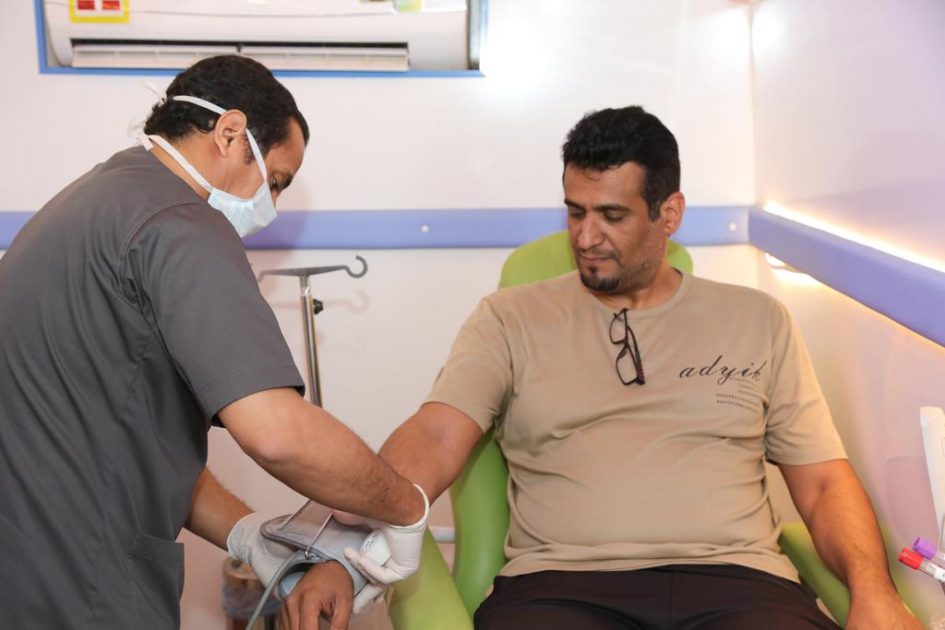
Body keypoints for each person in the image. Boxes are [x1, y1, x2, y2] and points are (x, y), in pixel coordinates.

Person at [289, 105, 920, 629]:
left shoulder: (758, 321)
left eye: (612, 216)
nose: (586, 237)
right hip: (562, 589)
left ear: (668, 214)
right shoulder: (510, 318)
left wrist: (876, 591)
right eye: (575, 211)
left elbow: (824, 482)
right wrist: (342, 555)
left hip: (740, 585)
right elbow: (433, 437)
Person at [0, 55, 426, 630]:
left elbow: (132, 440)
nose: (270, 206)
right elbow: (275, 432)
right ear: (230, 133)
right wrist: (405, 509)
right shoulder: (180, 222)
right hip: (81, 582)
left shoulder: (95, 199)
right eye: (275, 182)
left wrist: (247, 534)